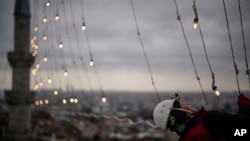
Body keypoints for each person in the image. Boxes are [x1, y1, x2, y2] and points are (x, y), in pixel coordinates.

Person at [153, 93, 250, 141]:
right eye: (180, 105)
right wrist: (244, 104)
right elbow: (244, 126)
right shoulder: (210, 120)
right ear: (178, 113)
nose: (185, 104)